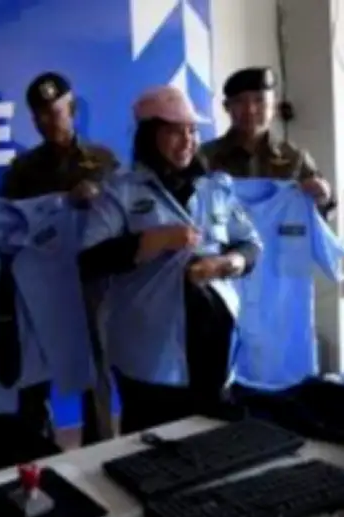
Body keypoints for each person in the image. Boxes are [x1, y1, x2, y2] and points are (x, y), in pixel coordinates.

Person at [79, 85, 263, 433]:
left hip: (215, 348)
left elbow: (251, 245)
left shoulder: (215, 187)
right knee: (151, 445)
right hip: (149, 353)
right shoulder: (120, 191)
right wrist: (149, 242)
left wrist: (226, 264)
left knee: (213, 441)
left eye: (192, 131)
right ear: (150, 136)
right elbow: (89, 259)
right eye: (175, 132)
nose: (187, 142)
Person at [0, 72, 119, 444]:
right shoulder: (23, 169)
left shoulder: (103, 160)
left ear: (72, 109)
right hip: (43, 280)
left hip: (92, 277)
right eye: (39, 116)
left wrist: (97, 196)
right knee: (37, 361)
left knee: (95, 360)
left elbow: (123, 214)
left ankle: (100, 445)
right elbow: (10, 224)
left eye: (54, 112)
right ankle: (36, 446)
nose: (48, 122)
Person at [200, 67, 336, 215]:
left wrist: (324, 195)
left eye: (259, 100)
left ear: (274, 106)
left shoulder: (294, 159)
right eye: (240, 102)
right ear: (227, 107)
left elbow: (326, 209)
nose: (250, 110)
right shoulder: (205, 158)